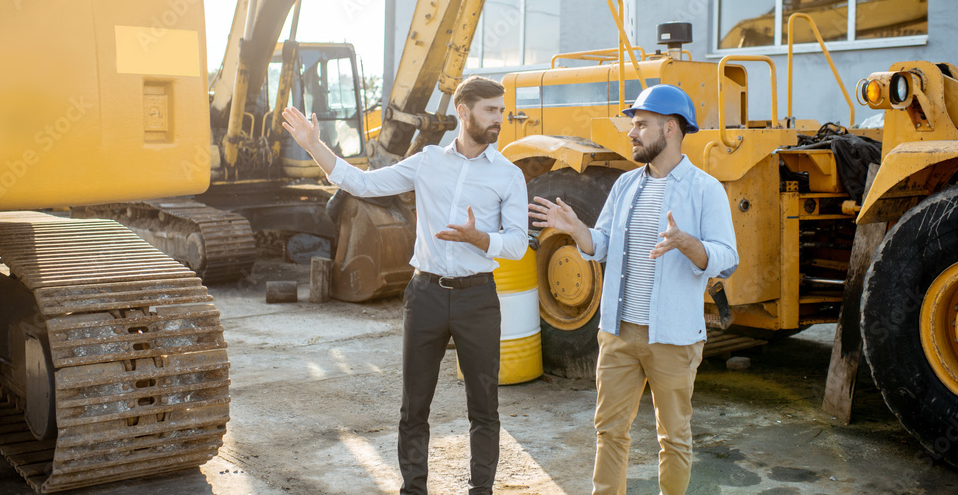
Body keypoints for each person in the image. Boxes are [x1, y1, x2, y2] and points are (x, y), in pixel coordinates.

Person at [281, 75, 528, 495]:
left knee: (484, 408)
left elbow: (519, 244)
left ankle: (481, 491)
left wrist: (480, 238)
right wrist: (312, 146)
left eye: (501, 111)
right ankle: (413, 490)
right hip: (426, 295)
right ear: (463, 112)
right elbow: (363, 184)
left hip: (478, 299)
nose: (498, 119)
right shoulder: (429, 161)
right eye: (490, 110)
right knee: (414, 406)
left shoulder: (508, 175)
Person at [528, 83, 738, 495]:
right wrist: (577, 231)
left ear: (671, 129)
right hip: (619, 333)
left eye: (641, 124)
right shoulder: (625, 186)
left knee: (673, 438)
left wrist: (686, 243)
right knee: (609, 431)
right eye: (633, 124)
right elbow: (602, 243)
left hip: (673, 338)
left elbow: (726, 257)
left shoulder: (704, 189)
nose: (632, 132)